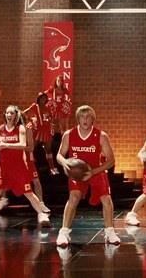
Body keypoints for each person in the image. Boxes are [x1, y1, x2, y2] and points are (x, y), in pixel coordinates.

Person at [55, 105, 122, 247]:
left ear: (93, 119)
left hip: (95, 170)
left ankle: (110, 232)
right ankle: (64, 232)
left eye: (88, 117)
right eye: (82, 116)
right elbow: (59, 155)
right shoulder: (69, 134)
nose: (85, 120)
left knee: (106, 198)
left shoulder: (101, 136)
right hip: (77, 173)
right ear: (78, 119)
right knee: (74, 197)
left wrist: (93, 172)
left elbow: (111, 160)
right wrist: (66, 163)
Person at [0, 105, 51, 230]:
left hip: (18, 166)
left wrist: (6, 145)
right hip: (3, 165)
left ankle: (41, 215)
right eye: (7, 113)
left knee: (28, 192)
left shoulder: (20, 128)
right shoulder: (0, 129)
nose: (9, 115)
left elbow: (23, 145)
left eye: (12, 113)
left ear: (16, 116)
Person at [24, 92, 59, 175]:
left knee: (48, 150)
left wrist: (51, 124)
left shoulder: (48, 108)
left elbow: (50, 118)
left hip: (46, 131)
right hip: (38, 130)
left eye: (44, 98)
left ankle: (52, 168)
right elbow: (23, 113)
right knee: (31, 149)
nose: (43, 100)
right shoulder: (35, 106)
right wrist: (31, 120)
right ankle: (28, 167)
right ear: (38, 99)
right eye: (41, 98)